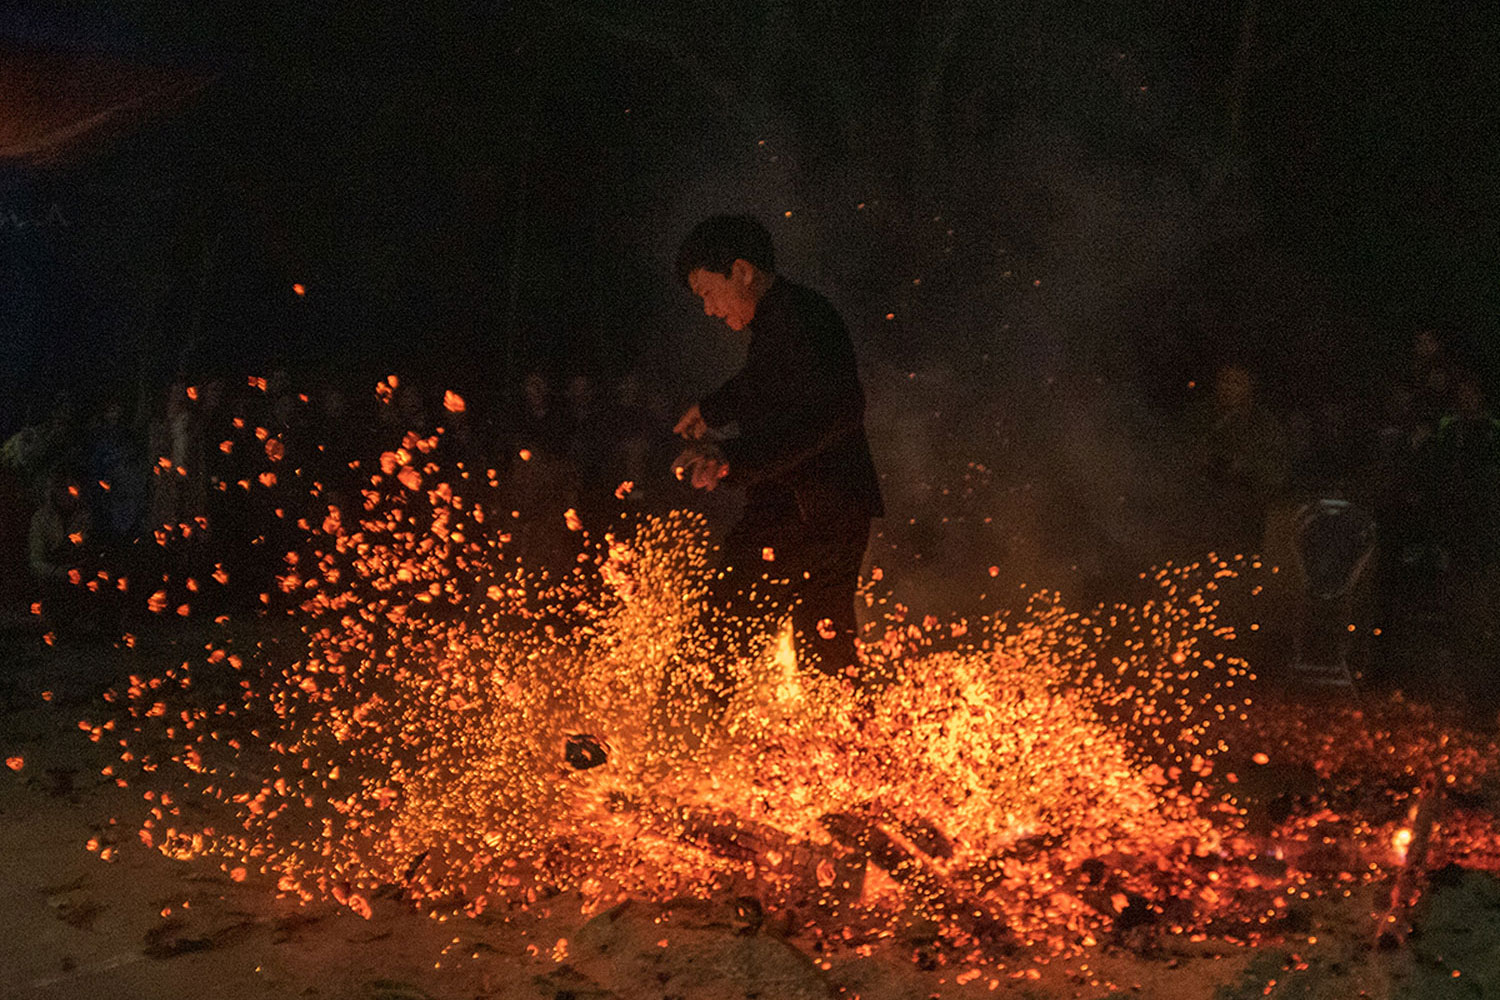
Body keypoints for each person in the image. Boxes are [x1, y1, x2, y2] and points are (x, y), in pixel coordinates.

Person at [671, 214, 883, 689]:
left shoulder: (799, 320)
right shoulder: (790, 319)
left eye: (708, 292)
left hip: (802, 510)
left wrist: (731, 460)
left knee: (719, 636)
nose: (708, 308)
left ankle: (674, 742)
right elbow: (769, 385)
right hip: (833, 509)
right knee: (824, 652)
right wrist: (714, 407)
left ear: (742, 271)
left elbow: (837, 410)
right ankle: (848, 754)